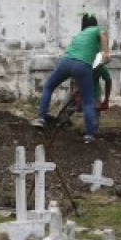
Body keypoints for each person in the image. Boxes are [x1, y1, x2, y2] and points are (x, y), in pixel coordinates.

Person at [31, 13, 110, 143]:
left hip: (66, 61)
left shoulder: (79, 35)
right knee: (88, 102)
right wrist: (106, 52)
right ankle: (89, 136)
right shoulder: (96, 29)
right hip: (82, 65)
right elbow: (103, 35)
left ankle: (41, 118)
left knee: (48, 87)